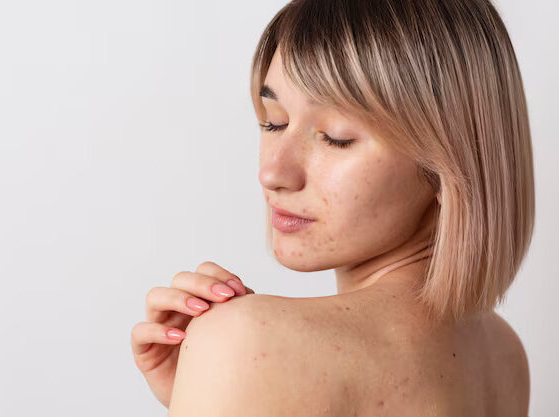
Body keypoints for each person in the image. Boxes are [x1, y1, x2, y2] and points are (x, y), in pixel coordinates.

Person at [131, 0, 534, 415]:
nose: (273, 172)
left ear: (450, 159)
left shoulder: (246, 341)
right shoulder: (502, 354)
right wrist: (200, 390)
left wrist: (225, 368)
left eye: (336, 137)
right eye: (274, 121)